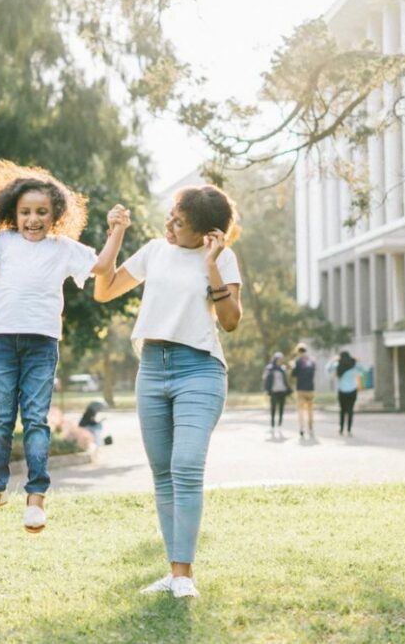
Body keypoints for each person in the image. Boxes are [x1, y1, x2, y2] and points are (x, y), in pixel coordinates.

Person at [0, 160, 126, 533]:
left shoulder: (62, 248)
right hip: (1, 339)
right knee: (1, 420)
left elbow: (100, 266)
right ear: (13, 214)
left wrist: (116, 231)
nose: (32, 219)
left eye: (41, 212)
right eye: (25, 212)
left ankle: (36, 500)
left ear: (56, 215)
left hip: (41, 343)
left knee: (35, 420)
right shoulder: (3, 241)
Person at [94, 185, 242, 600]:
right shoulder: (155, 251)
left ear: (208, 234)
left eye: (181, 223)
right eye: (172, 216)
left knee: (186, 466)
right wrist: (116, 235)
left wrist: (211, 264)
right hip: (152, 369)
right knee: (163, 476)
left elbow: (231, 321)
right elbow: (103, 291)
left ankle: (184, 575)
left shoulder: (223, 257)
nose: (170, 225)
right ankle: (175, 573)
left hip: (200, 369)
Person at [333, 350, 363, 436]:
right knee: (350, 410)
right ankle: (349, 430)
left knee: (342, 410)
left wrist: (333, 360)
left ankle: (341, 429)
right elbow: (364, 369)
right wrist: (358, 361)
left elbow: (327, 368)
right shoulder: (354, 364)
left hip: (342, 391)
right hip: (352, 391)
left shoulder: (338, 365)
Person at [262, 352, 291, 436]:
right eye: (279, 359)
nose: (280, 361)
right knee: (273, 408)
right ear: (275, 359)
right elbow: (265, 379)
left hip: (282, 391)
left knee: (281, 408)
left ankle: (280, 425)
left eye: (281, 359)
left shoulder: (283, 368)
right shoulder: (269, 368)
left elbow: (286, 381)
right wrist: (266, 389)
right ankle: (272, 425)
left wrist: (288, 389)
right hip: (273, 391)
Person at [291, 344, 316, 438]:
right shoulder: (312, 360)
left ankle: (302, 428)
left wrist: (293, 366)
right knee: (310, 410)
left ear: (298, 352)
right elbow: (313, 372)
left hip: (301, 389)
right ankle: (310, 428)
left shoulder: (298, 361)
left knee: (301, 410)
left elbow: (294, 374)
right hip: (310, 388)